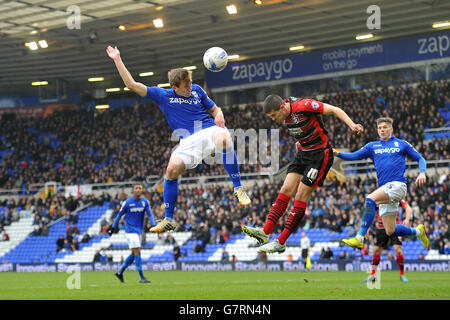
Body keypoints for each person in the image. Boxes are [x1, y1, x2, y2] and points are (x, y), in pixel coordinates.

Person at [106, 46, 251, 234]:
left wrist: (220, 113)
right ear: (174, 87)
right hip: (187, 142)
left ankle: (238, 188)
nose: (190, 87)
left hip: (207, 130)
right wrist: (117, 59)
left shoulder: (197, 90)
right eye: (186, 86)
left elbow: (214, 109)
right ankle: (169, 219)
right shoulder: (163, 95)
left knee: (223, 137)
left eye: (190, 83)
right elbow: (132, 85)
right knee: (171, 169)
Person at [242, 94, 363, 253]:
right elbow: (302, 128)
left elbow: (334, 109)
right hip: (303, 153)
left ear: (282, 107)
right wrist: (301, 141)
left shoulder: (304, 105)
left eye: (273, 115)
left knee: (300, 195)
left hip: (320, 155)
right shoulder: (285, 114)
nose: (273, 119)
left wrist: (352, 125)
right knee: (286, 189)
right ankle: (265, 232)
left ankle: (281, 241)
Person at [334, 117, 429, 250]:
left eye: (385, 127)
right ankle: (419, 232)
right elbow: (354, 156)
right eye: (379, 128)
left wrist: (422, 172)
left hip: (398, 185)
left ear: (391, 129)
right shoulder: (372, 146)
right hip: (385, 189)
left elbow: (420, 158)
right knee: (390, 230)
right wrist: (337, 154)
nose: (382, 130)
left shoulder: (402, 144)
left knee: (370, 199)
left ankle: (359, 238)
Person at [107, 183, 156, 284]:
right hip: (130, 231)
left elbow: (150, 215)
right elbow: (119, 215)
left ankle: (120, 272)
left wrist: (154, 225)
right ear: (133, 190)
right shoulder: (127, 202)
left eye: (140, 188)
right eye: (136, 188)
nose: (138, 190)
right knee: (138, 251)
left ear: (142, 190)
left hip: (138, 232)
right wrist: (112, 228)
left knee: (134, 254)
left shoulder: (145, 202)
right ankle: (142, 277)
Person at [364, 201, 412, 283]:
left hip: (394, 226)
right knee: (376, 251)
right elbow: (370, 212)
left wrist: (407, 219)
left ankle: (402, 274)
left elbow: (408, 207)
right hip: (381, 228)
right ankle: (373, 275)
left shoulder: (396, 195)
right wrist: (367, 226)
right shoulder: (378, 198)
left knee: (398, 250)